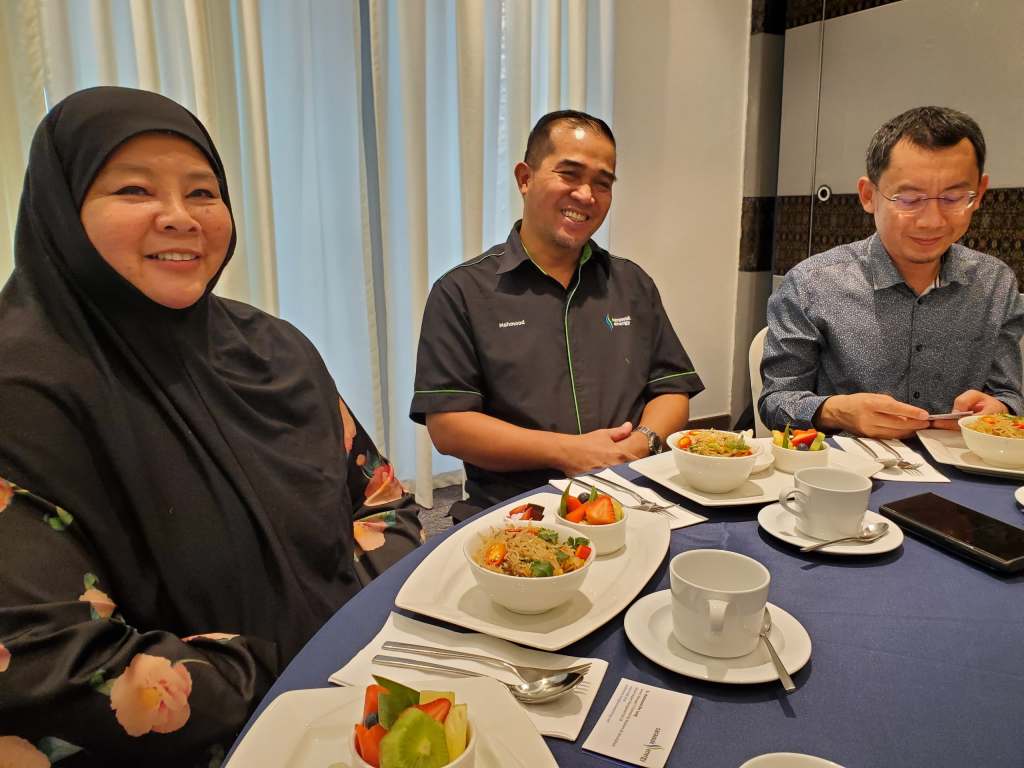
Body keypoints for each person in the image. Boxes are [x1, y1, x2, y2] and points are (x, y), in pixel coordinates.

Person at [0, 86, 422, 766]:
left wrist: (359, 633)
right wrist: (291, 660)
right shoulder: (22, 392)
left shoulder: (275, 350)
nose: (180, 217)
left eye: (202, 192)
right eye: (134, 190)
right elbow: (49, 661)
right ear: (62, 210)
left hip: (364, 696)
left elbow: (384, 501)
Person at [411, 110, 703, 516]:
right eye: (570, 174)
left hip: (630, 497)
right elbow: (449, 426)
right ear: (525, 178)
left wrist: (641, 443)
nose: (586, 195)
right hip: (516, 509)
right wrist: (569, 452)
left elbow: (671, 388)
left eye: (602, 183)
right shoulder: (462, 291)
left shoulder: (631, 284)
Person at [759, 106, 1024, 439]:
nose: (932, 221)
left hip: (961, 464)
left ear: (980, 193)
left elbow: (1009, 394)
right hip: (851, 464)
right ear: (868, 195)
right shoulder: (811, 284)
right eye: (910, 199)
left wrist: (998, 410)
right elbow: (776, 401)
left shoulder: (995, 284)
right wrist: (838, 411)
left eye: (954, 197)